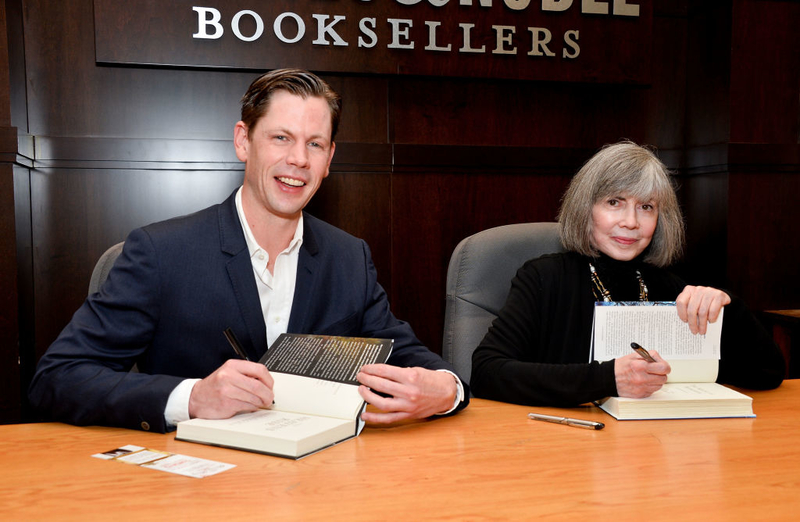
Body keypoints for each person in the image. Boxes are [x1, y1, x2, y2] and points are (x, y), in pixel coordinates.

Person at [29, 68, 467, 432]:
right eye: (281, 138)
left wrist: (447, 390)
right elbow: (57, 378)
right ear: (243, 141)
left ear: (329, 158)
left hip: (322, 488)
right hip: (196, 491)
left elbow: (413, 360)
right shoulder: (162, 251)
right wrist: (192, 397)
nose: (299, 159)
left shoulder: (349, 257)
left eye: (315, 144)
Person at [470, 141, 785, 407]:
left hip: (653, 452)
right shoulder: (543, 278)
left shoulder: (669, 286)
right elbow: (487, 373)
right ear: (585, 209)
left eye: (646, 206)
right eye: (614, 202)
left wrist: (730, 306)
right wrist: (607, 379)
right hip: (564, 448)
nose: (631, 221)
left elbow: (768, 372)